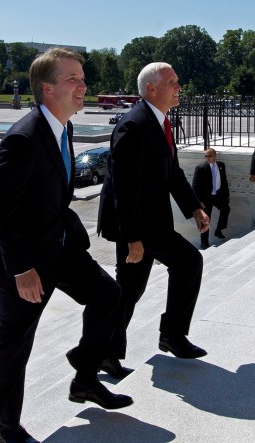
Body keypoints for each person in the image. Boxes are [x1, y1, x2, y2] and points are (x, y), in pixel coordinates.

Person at [0, 47, 131, 443]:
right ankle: (6, 428)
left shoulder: (63, 127)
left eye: (82, 78)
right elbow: (0, 213)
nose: (84, 86)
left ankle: (84, 377)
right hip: (24, 260)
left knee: (107, 294)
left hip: (56, 246)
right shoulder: (23, 139)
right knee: (14, 344)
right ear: (48, 89)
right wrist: (21, 270)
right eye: (73, 79)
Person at [97, 62, 210, 378]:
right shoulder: (133, 125)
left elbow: (172, 172)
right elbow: (124, 187)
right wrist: (133, 237)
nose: (179, 87)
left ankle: (112, 351)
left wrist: (195, 207)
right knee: (184, 263)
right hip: (134, 222)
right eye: (173, 82)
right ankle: (169, 336)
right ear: (151, 88)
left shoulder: (159, 122)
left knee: (131, 288)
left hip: (149, 221)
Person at [192, 148, 230, 249]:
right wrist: (199, 202)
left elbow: (224, 181)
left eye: (209, 156)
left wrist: (227, 195)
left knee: (226, 209)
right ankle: (204, 242)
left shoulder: (221, 165)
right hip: (205, 199)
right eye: (206, 156)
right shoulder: (200, 168)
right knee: (205, 219)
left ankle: (219, 229)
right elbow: (195, 186)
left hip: (218, 196)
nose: (207, 158)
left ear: (215, 156)